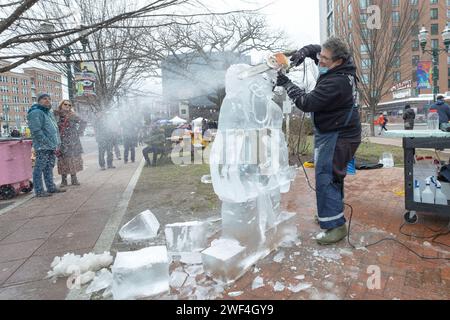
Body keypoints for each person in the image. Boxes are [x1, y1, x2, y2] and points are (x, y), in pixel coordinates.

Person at [276, 37, 361, 245]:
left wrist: (286, 83)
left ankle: (335, 226)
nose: (320, 60)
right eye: (320, 56)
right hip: (337, 131)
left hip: (339, 136)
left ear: (338, 61)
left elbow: (307, 102)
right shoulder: (339, 66)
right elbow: (316, 49)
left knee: (326, 177)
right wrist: (302, 53)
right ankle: (332, 213)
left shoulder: (337, 82)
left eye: (324, 59)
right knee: (333, 176)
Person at [27, 93, 66, 197]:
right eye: (44, 99)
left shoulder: (48, 112)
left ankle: (51, 187)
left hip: (51, 146)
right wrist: (47, 142)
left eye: (49, 99)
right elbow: (36, 131)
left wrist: (57, 143)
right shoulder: (36, 112)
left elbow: (54, 129)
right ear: (39, 101)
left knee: (49, 167)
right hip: (42, 146)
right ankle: (39, 190)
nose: (47, 100)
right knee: (39, 168)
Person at [54, 100, 87, 186]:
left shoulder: (72, 115)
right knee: (62, 160)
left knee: (72, 159)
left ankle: (74, 178)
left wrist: (79, 132)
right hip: (61, 140)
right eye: (65, 104)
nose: (67, 106)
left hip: (72, 141)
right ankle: (63, 180)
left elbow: (83, 122)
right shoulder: (56, 114)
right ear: (61, 105)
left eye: (69, 105)